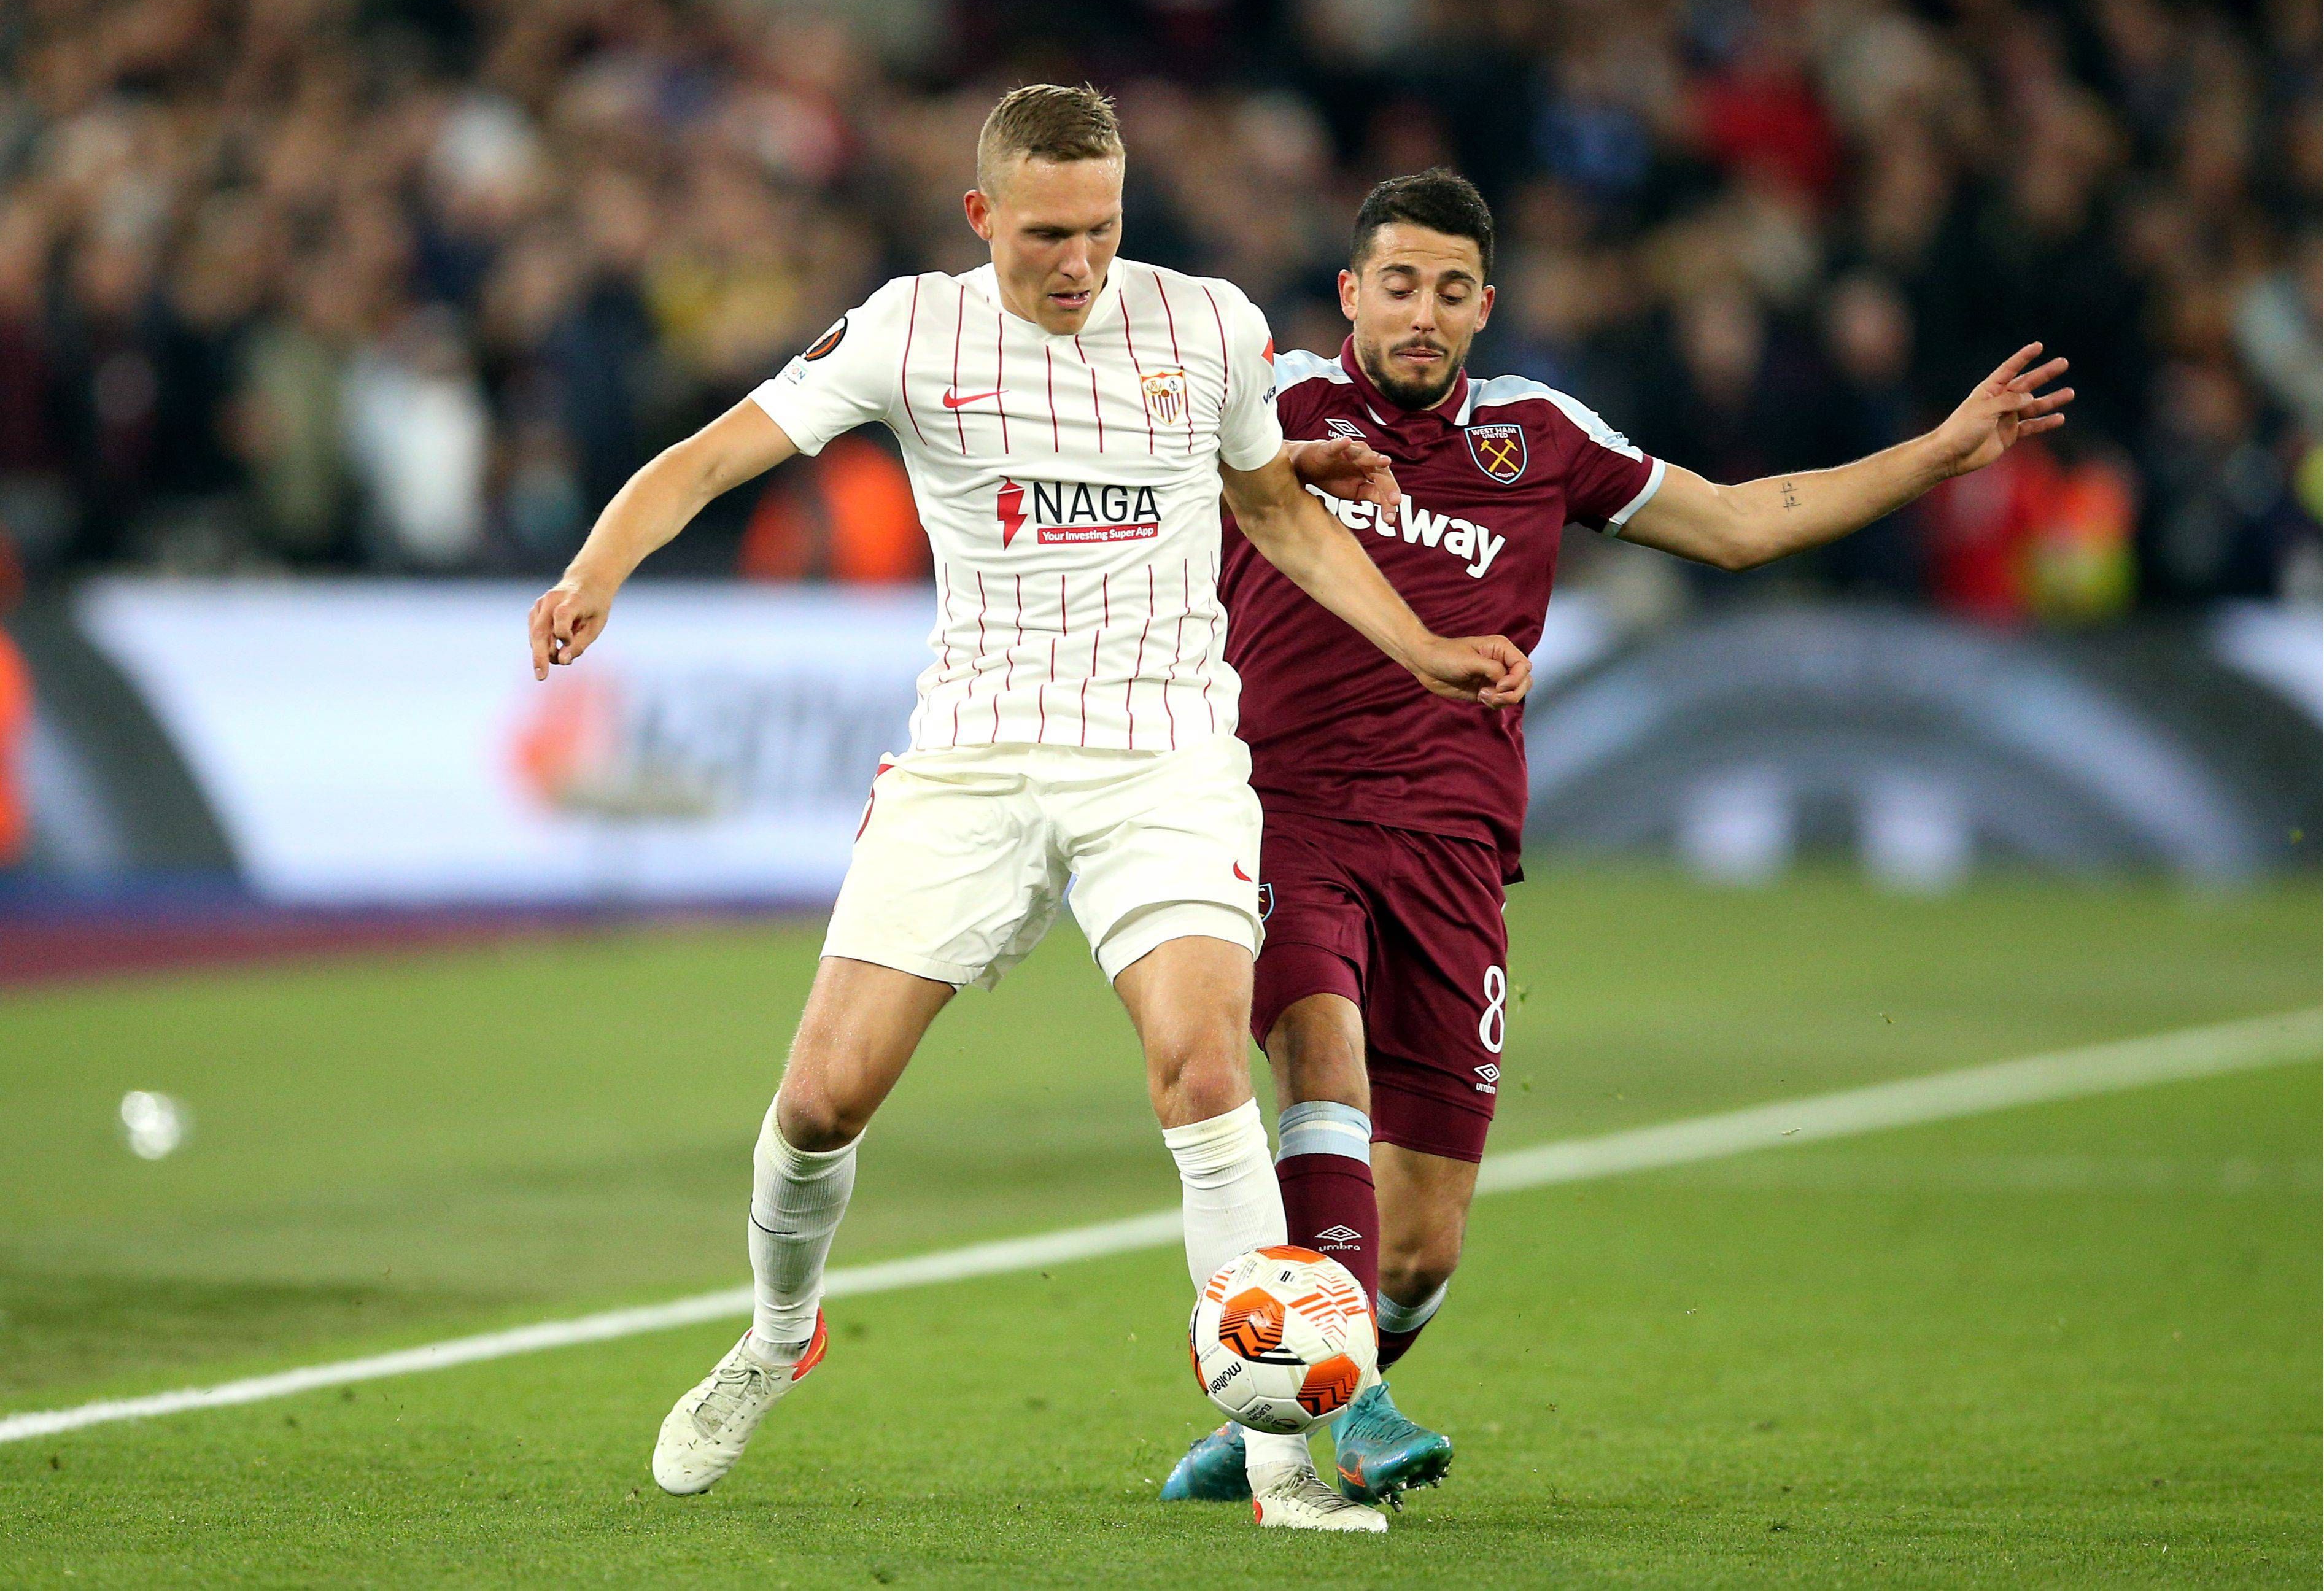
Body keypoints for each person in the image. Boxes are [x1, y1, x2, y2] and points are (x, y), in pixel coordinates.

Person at [525, 91, 1533, 1533]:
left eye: (1104, 229)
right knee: (821, 1103)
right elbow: (709, 458)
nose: (1080, 261)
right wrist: (594, 573)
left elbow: (1279, 512)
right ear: (981, 216)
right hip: (974, 761)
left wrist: (1424, 648)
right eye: (1050, 233)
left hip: (1163, 758)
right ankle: (773, 1337)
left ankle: (1283, 1466)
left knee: (1202, 1075)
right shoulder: (906, 330)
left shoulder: (1208, 326)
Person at [1164, 168, 2072, 1508]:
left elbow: (1739, 524)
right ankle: (1347, 1407)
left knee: (1422, 1247)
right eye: (1398, 284)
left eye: (1452, 290)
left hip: (1459, 850)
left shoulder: (1538, 435)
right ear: (1352, 293)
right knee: (1322, 1060)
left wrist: (1937, 454)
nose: (1423, 312)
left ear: (1487, 306)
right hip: (1282, 811)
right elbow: (1118, 476)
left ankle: (1273, 1416)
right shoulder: (1268, 404)